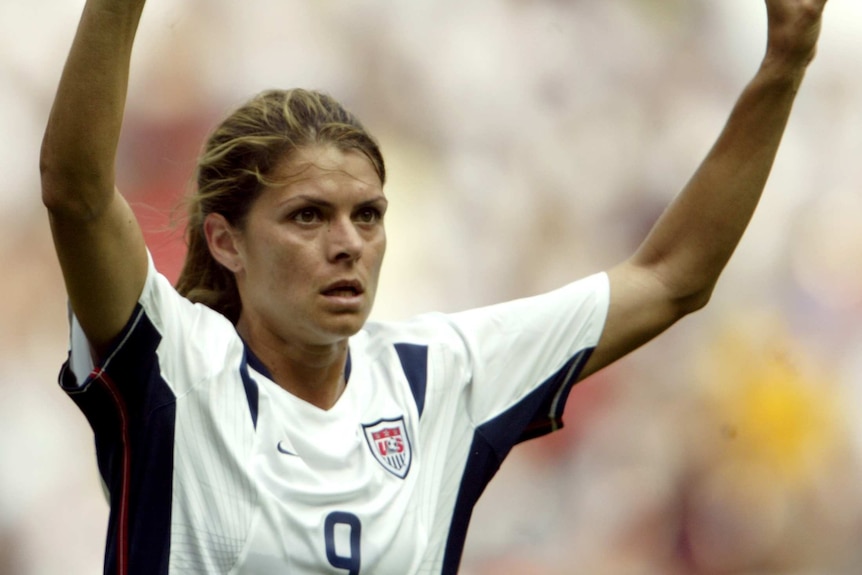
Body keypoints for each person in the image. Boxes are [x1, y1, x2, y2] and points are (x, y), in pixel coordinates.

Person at [39, 1, 829, 574]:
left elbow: (671, 277)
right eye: (307, 216)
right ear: (225, 240)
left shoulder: (438, 375)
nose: (348, 243)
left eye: (369, 215)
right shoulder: (174, 366)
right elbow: (75, 191)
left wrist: (782, 68)